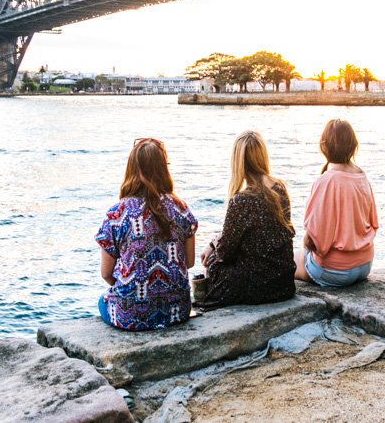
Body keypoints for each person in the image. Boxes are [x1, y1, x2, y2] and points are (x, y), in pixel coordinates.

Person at [95, 137, 198, 331]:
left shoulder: (117, 214)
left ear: (131, 169)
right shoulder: (182, 209)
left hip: (131, 315)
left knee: (103, 300)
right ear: (163, 169)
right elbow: (189, 262)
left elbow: (106, 273)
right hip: (177, 311)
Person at [196, 131, 296, 308]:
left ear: (238, 162)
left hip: (256, 287)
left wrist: (213, 247)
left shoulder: (241, 201)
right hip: (283, 283)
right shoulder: (279, 188)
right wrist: (214, 243)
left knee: (212, 263)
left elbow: (225, 253)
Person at [295, 119, 379, 287]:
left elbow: (312, 241)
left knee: (287, 260)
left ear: (324, 146)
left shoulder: (325, 181)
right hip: (365, 265)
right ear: (353, 145)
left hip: (335, 272)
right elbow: (373, 223)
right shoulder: (362, 177)